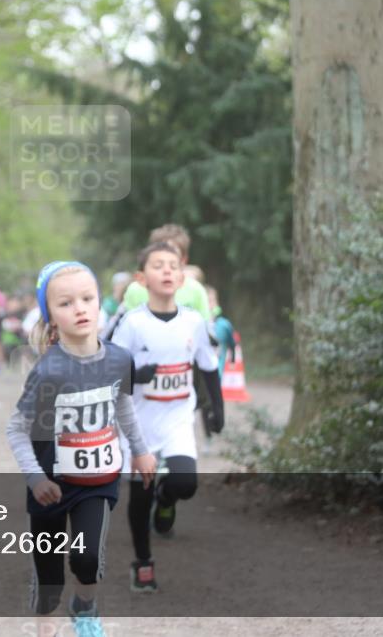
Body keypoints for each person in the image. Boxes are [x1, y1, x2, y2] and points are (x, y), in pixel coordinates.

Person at [6, 261, 157, 637]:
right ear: (51, 317)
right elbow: (17, 428)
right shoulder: (48, 371)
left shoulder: (120, 359)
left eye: (88, 298)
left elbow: (122, 405)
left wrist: (140, 449)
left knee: (87, 559)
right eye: (66, 302)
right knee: (49, 573)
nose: (80, 308)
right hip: (49, 486)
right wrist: (35, 478)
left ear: (100, 303)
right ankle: (46, 620)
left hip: (97, 481)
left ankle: (85, 606)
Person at [111, 242, 225, 593]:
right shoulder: (131, 323)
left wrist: (215, 409)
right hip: (139, 423)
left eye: (173, 266)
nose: (166, 271)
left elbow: (208, 367)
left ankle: (168, 500)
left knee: (185, 484)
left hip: (177, 418)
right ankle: (143, 563)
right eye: (158, 266)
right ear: (142, 279)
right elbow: (107, 373)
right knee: (139, 495)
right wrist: (136, 376)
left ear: (182, 275)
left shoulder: (193, 321)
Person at [122, 224, 212, 322]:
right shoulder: (135, 290)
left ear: (183, 260)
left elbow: (205, 328)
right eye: (159, 263)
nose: (166, 270)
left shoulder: (196, 290)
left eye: (172, 255)